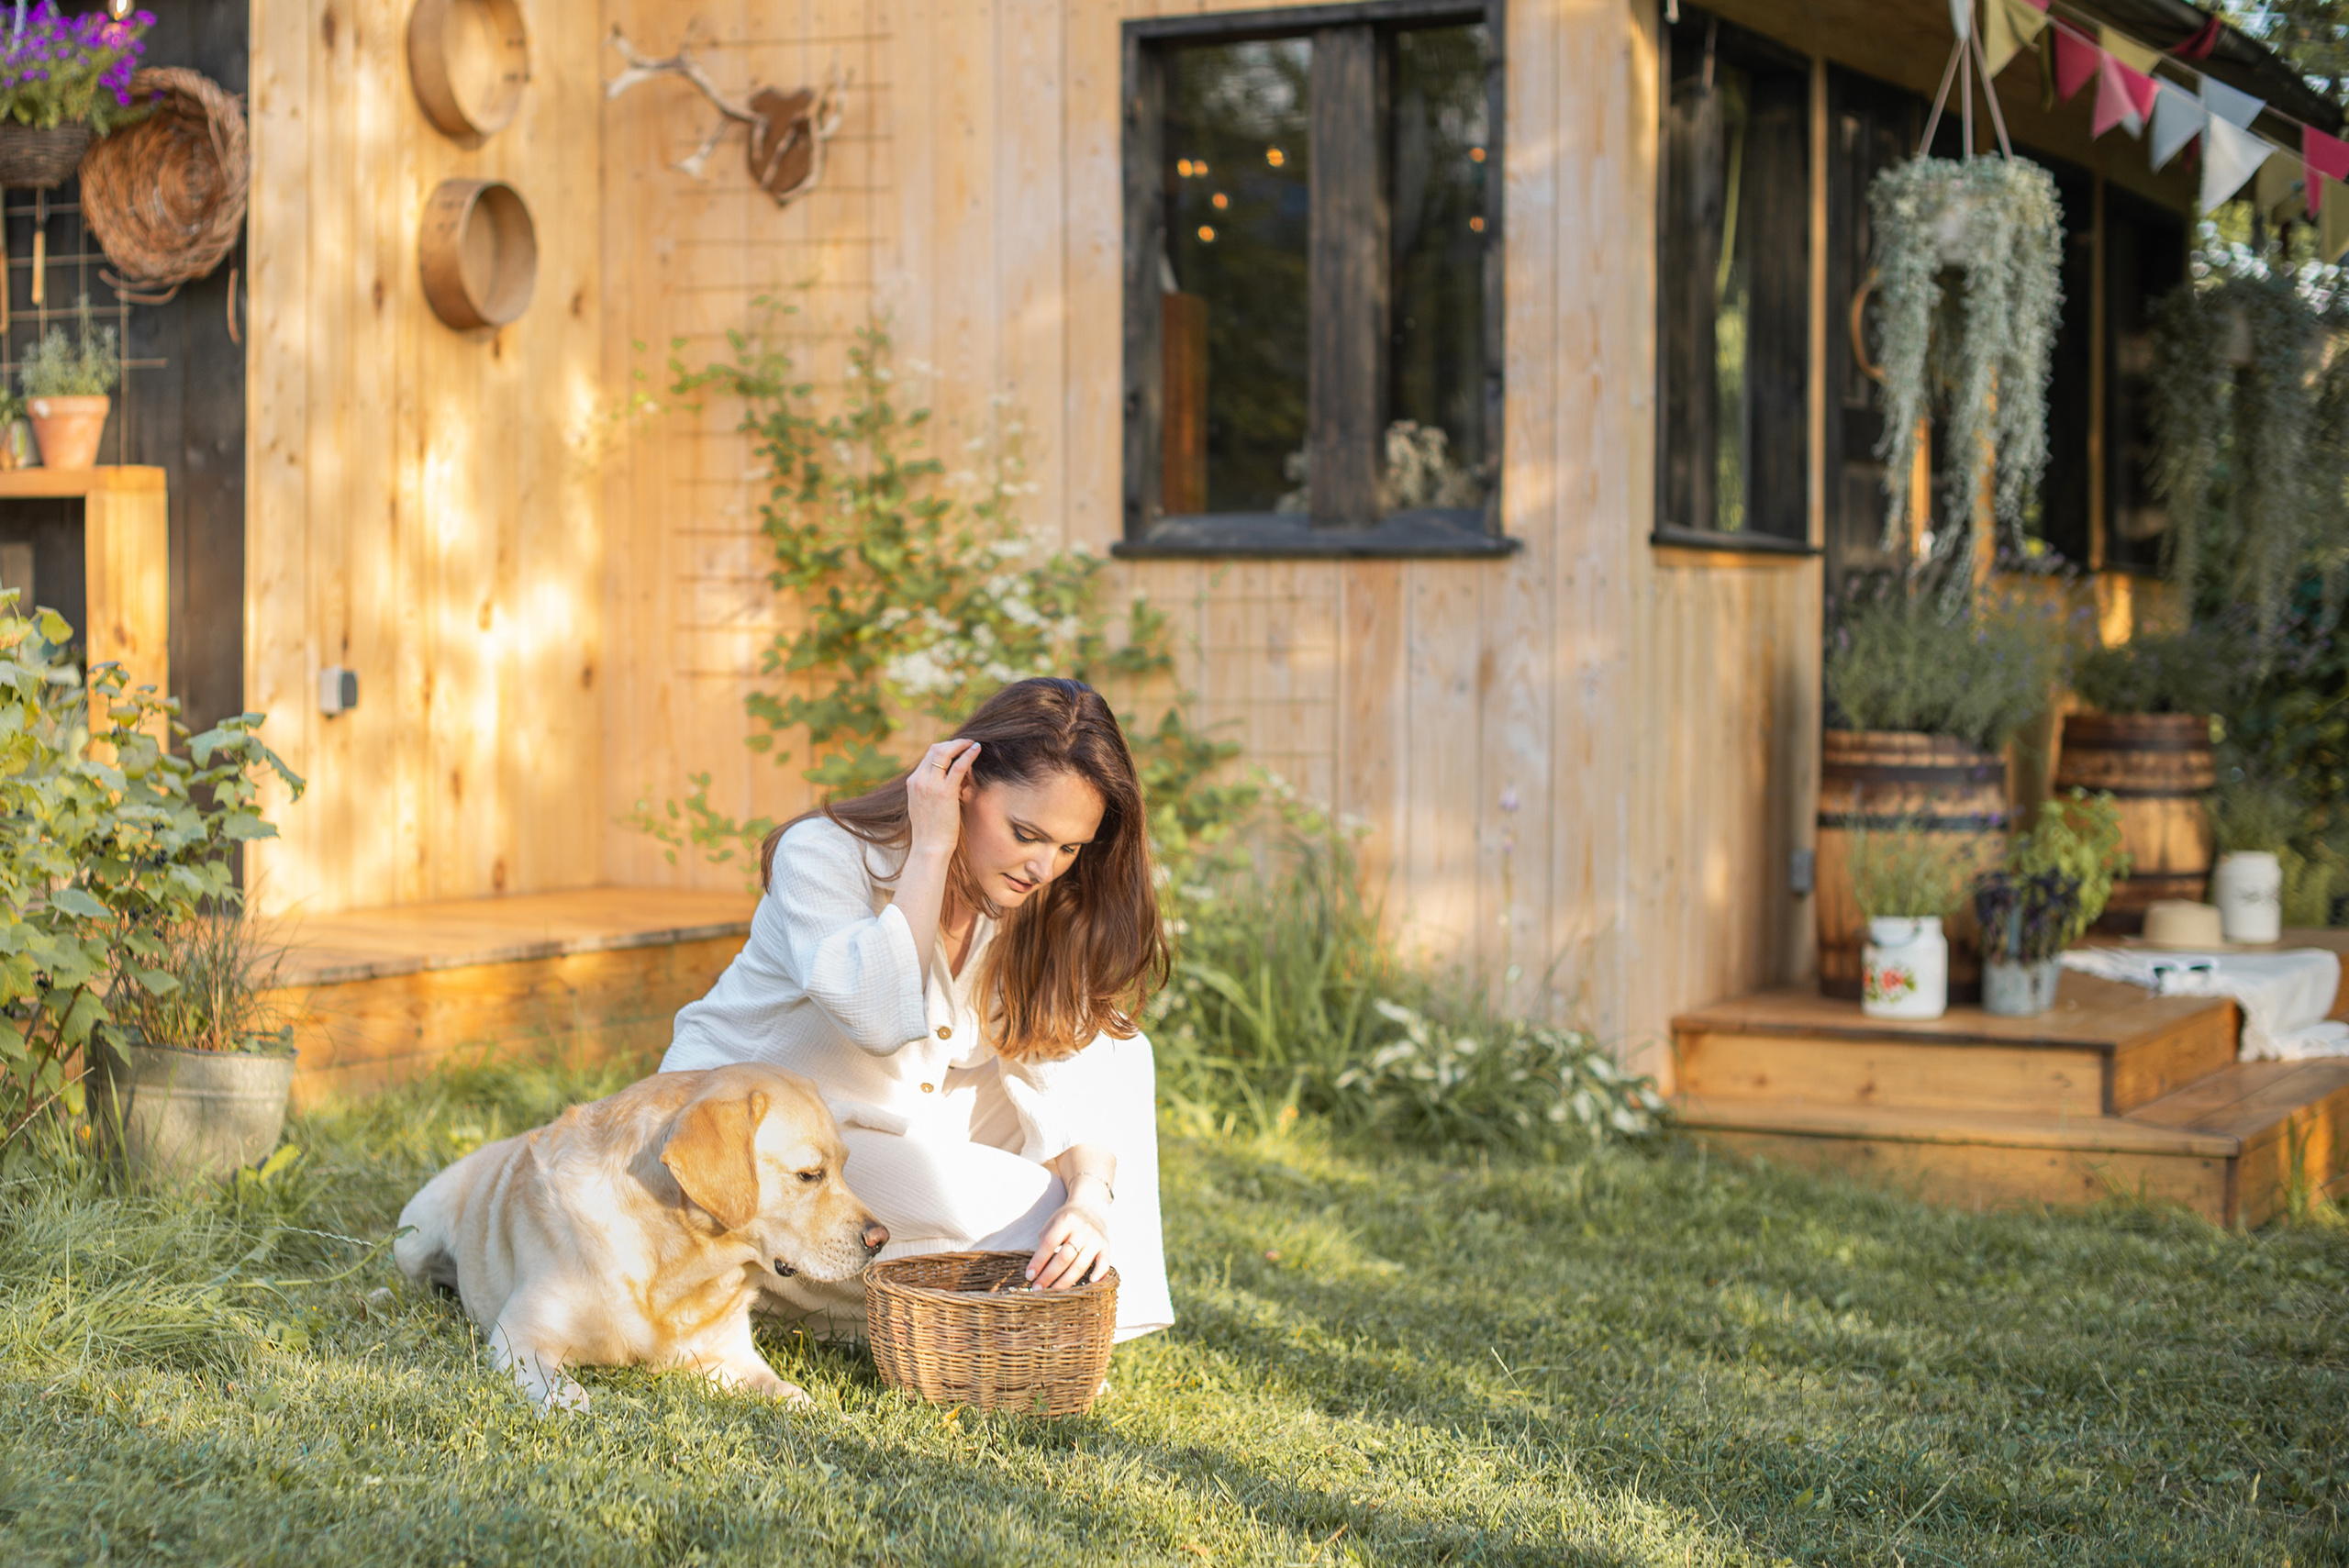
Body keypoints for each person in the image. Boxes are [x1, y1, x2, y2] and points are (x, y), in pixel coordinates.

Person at [660, 677, 1174, 1340]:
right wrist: (931, 847)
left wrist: (1092, 1200)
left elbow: (1071, 1058)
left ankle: (1042, 1295)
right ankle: (795, 1287)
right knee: (1024, 1207)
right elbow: (875, 1015)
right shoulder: (823, 855)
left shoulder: (1023, 900)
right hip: (762, 1147)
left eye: (1070, 849)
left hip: (895, 1123)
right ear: (962, 783)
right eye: (1026, 833)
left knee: (1117, 1050)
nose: (1045, 866)